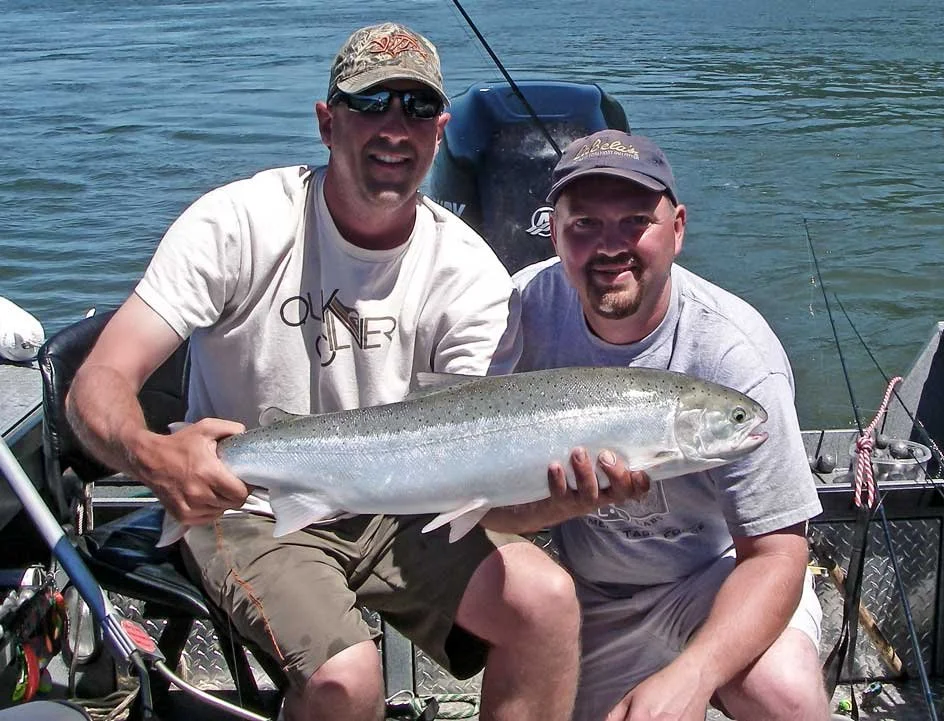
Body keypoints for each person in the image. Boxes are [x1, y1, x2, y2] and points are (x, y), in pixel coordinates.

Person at [66, 23, 635, 721]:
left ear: (441, 132)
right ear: (326, 122)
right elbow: (99, 381)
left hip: (404, 506)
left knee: (545, 606)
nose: (395, 127)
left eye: (417, 107)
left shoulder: (470, 276)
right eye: (370, 103)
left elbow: (480, 487)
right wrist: (152, 454)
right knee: (347, 679)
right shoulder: (238, 223)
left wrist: (565, 500)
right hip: (247, 502)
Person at [485, 129, 829, 721]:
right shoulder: (520, 311)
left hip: (715, 581)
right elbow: (480, 510)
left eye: (635, 222)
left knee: (785, 693)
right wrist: (552, 507)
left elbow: (776, 556)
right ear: (553, 232)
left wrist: (692, 676)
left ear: (678, 229)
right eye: (584, 224)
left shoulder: (735, 354)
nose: (610, 246)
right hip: (583, 592)